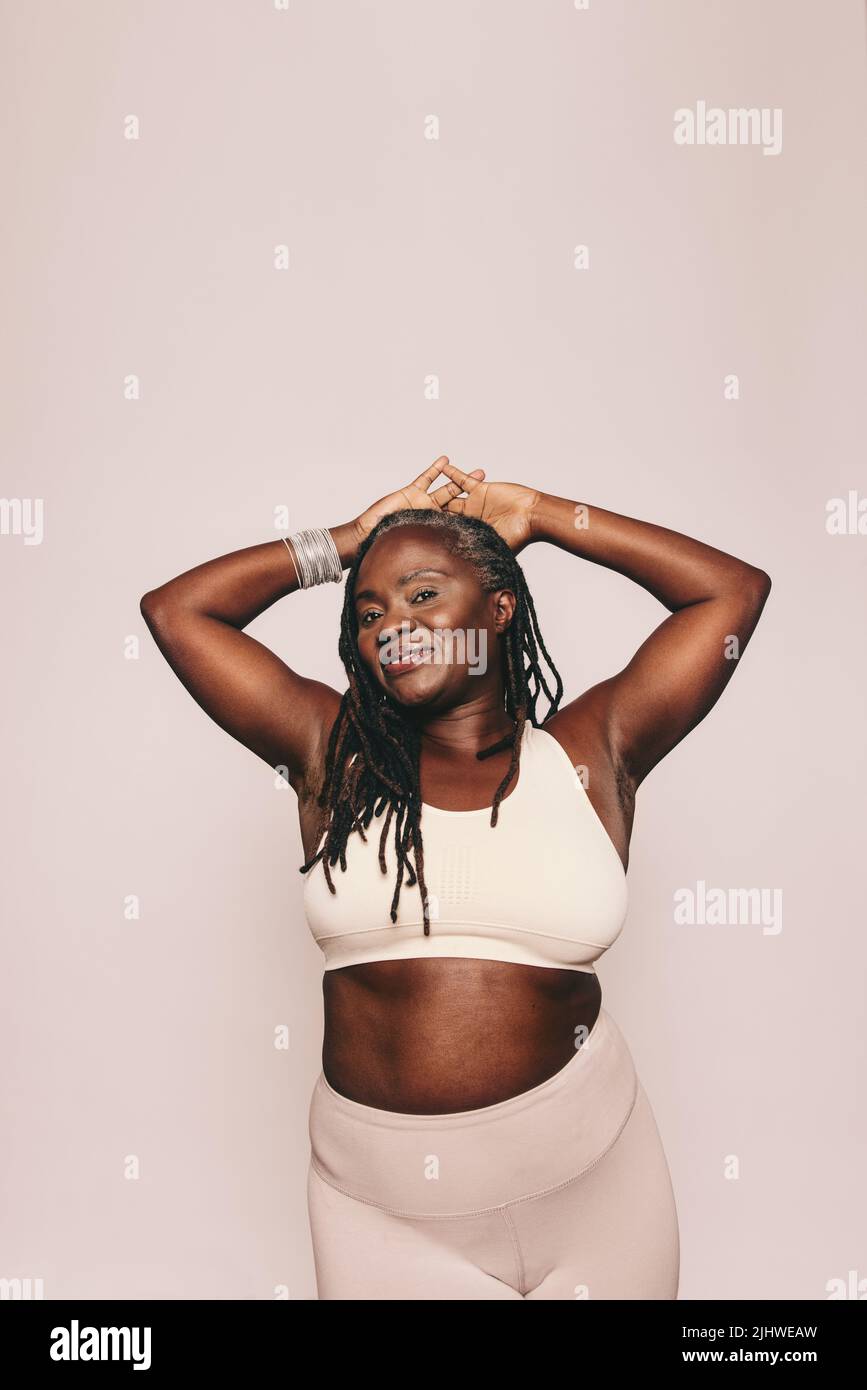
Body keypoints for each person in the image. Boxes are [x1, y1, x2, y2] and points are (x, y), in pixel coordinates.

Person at [140, 457, 771, 1299]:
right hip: (383, 1214)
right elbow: (176, 612)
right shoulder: (334, 754)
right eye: (369, 612)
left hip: (598, 1187)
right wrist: (346, 543)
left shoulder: (590, 752)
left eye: (424, 595)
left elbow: (730, 594)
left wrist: (542, 513)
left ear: (499, 607)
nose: (391, 624)